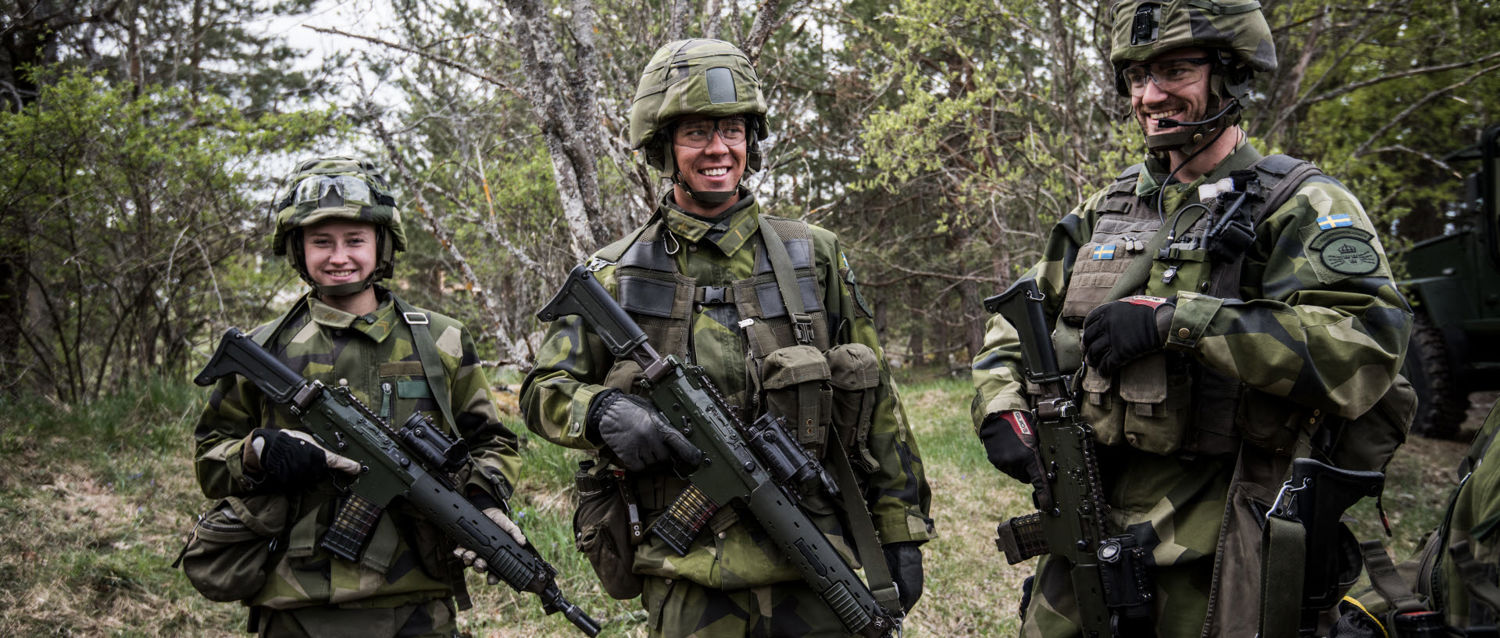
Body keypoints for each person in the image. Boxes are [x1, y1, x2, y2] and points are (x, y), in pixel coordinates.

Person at [970, 1, 1412, 636]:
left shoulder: (1302, 206)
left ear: (1229, 75)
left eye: (1175, 71)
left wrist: (1184, 322)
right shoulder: (1106, 210)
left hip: (1229, 535)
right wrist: (1000, 405)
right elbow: (1016, 327)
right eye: (1135, 77)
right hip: (1090, 521)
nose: (1150, 95)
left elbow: (1367, 349)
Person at [521, 38, 934, 636]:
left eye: (732, 130)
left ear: (751, 141)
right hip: (686, 576)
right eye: (696, 133)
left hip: (817, 558)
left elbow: (879, 406)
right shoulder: (616, 273)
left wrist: (899, 532)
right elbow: (542, 391)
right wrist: (602, 410)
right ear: (664, 148)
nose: (718, 148)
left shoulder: (813, 256)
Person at [193, 156, 524, 637]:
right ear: (297, 250)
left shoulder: (441, 340)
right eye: (321, 242)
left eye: (355, 240)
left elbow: (491, 441)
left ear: (382, 245)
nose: (339, 256)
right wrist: (259, 452)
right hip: (295, 600)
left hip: (416, 599)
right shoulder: (262, 350)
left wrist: (482, 496)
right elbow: (209, 458)